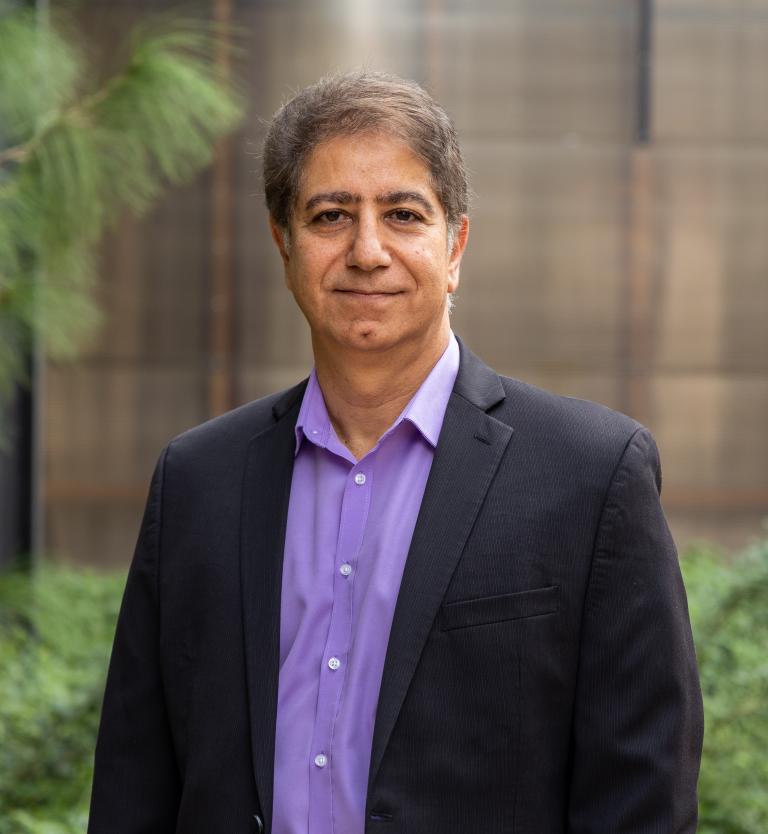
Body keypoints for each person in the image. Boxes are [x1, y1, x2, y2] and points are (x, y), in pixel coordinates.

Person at [88, 71, 703, 834]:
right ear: (284, 243)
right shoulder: (197, 480)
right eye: (330, 215)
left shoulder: (590, 476)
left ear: (455, 247)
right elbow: (133, 782)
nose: (367, 250)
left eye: (403, 214)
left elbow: (640, 801)